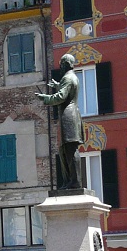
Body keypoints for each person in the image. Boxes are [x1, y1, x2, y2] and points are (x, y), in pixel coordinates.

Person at [36, 52, 84, 191]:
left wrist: (45, 98)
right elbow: (66, 92)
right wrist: (58, 85)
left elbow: (61, 97)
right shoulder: (71, 78)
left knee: (69, 148)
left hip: (68, 115)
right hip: (71, 113)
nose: (60, 67)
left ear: (66, 64)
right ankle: (70, 181)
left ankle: (74, 182)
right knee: (64, 149)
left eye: (62, 64)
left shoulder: (67, 78)